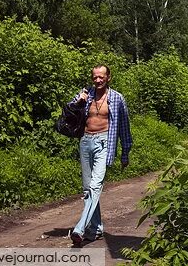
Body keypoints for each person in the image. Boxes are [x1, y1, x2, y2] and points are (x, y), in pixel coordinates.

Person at [68, 64, 132, 247]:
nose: (97, 80)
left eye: (101, 77)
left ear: (108, 77)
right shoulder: (85, 94)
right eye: (95, 77)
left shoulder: (117, 98)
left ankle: (80, 228)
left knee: (95, 186)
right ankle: (95, 229)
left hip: (105, 142)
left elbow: (124, 128)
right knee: (88, 188)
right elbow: (68, 112)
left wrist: (125, 153)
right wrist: (79, 102)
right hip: (85, 142)